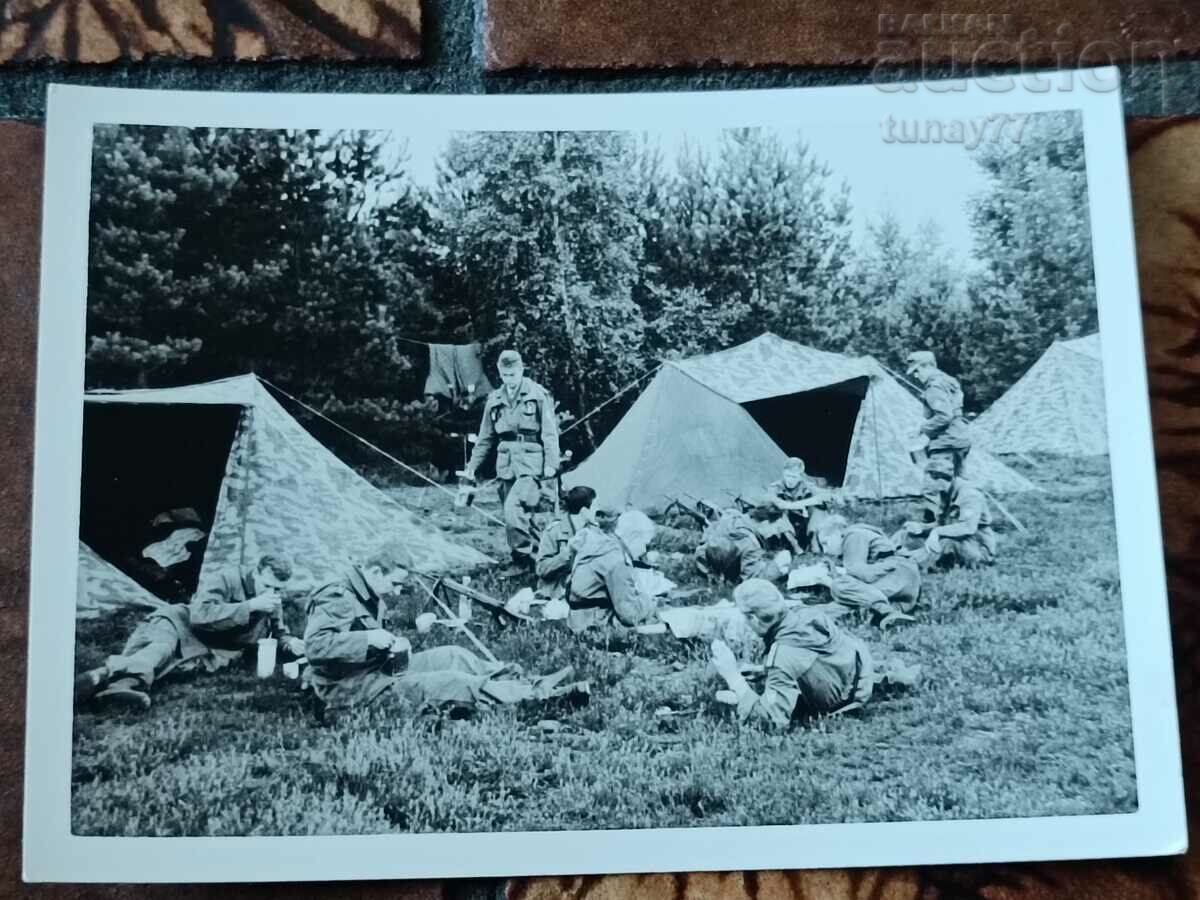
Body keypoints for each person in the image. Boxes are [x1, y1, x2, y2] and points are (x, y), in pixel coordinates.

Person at [303, 541, 584, 720]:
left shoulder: (363, 589)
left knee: (455, 655)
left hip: (377, 671)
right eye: (395, 583)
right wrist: (368, 638)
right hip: (355, 691)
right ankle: (539, 698)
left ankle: (528, 681)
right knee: (452, 681)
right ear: (376, 571)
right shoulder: (339, 596)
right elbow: (315, 647)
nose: (397, 591)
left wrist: (396, 640)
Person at [709, 579, 875, 729]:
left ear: (753, 618)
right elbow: (810, 657)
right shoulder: (806, 613)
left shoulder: (783, 654)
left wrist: (733, 678)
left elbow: (772, 721)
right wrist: (764, 670)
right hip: (861, 676)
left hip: (844, 701)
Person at [463, 349, 560, 573]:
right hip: (506, 464)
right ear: (500, 373)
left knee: (512, 509)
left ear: (521, 370)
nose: (510, 380)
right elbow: (486, 437)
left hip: (532, 463)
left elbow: (549, 432)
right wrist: (471, 468)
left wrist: (551, 463)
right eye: (506, 375)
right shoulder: (494, 399)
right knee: (522, 516)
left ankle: (521, 559)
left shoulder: (537, 394)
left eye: (514, 374)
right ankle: (542, 559)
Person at [74, 604, 221, 712]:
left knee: (152, 662)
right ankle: (100, 674)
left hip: (188, 643)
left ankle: (115, 686)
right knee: (160, 650)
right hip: (174, 624)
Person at [189, 554, 305, 661]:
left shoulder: (273, 594)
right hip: (203, 643)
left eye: (277, 589)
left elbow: (277, 631)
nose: (271, 592)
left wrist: (290, 642)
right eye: (267, 586)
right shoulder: (226, 578)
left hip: (238, 652)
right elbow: (199, 615)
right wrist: (250, 606)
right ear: (255, 574)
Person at [815, 515, 918, 630]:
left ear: (837, 533)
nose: (825, 550)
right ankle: (889, 616)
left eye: (825, 543)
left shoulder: (852, 535)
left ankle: (886, 611)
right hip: (905, 587)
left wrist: (832, 579)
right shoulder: (860, 534)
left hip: (898, 574)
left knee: (839, 586)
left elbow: (860, 574)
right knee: (849, 602)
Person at [566, 508, 659, 633]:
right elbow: (629, 615)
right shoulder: (616, 559)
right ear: (634, 537)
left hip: (578, 620)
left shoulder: (598, 545)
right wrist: (650, 603)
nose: (643, 551)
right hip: (595, 626)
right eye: (645, 544)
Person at [905, 350, 972, 523]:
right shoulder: (949, 381)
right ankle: (966, 521)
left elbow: (944, 416)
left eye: (917, 371)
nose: (916, 376)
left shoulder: (934, 386)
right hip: (960, 438)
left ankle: (932, 528)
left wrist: (922, 429)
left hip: (946, 442)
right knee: (958, 485)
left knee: (933, 486)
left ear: (928, 366)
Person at [899, 474, 998, 569]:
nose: (925, 487)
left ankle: (908, 562)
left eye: (928, 483)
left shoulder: (970, 495)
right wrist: (922, 527)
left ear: (940, 481)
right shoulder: (945, 493)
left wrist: (937, 532)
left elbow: (968, 527)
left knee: (946, 543)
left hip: (978, 547)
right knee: (906, 533)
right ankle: (893, 553)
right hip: (961, 541)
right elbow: (942, 524)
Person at [694, 498, 790, 585]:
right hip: (717, 572)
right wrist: (778, 568)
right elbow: (752, 580)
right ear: (765, 522)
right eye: (775, 527)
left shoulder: (733, 518)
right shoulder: (751, 544)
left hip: (702, 560)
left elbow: (707, 535)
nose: (775, 532)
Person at [534, 485, 596, 601]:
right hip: (558, 591)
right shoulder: (554, 531)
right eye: (594, 506)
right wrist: (567, 553)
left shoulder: (594, 530)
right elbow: (541, 569)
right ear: (584, 510)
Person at [766, 457, 830, 550]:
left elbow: (826, 497)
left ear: (800, 476)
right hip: (785, 529)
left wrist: (796, 505)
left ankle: (814, 543)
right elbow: (772, 501)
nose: (790, 480)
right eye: (788, 475)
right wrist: (791, 506)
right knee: (775, 510)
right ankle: (795, 547)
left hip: (804, 525)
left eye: (794, 477)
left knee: (819, 510)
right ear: (783, 473)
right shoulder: (775, 487)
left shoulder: (807, 486)